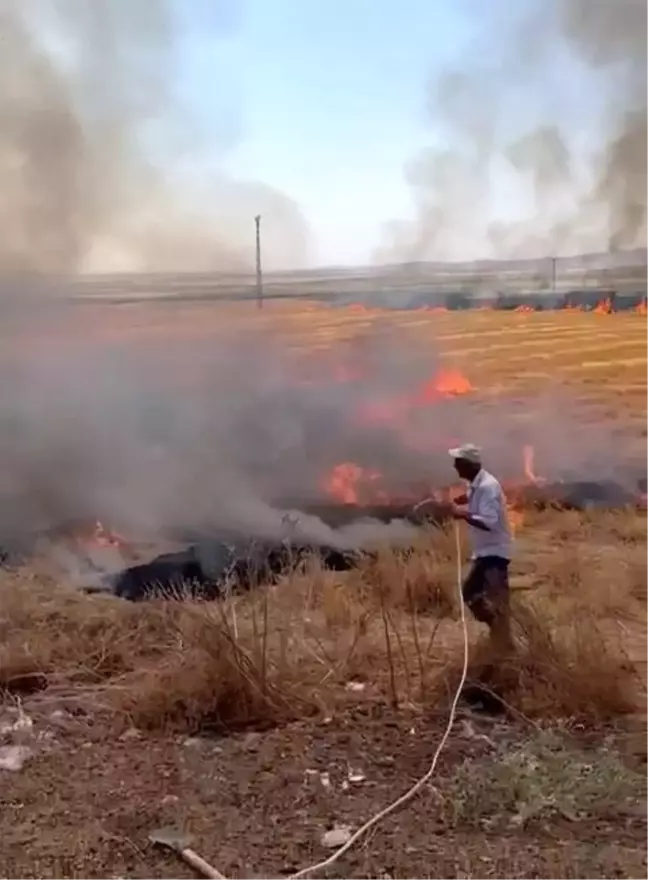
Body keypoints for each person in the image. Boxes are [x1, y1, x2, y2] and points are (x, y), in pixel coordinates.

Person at [447, 443, 514, 654]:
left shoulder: (487, 486)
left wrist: (462, 514)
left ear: (468, 464)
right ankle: (498, 632)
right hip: (485, 552)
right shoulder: (477, 484)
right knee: (470, 593)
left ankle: (504, 644)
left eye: (458, 463)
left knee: (496, 600)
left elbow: (490, 522)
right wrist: (465, 499)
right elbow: (474, 495)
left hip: (494, 553)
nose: (454, 466)